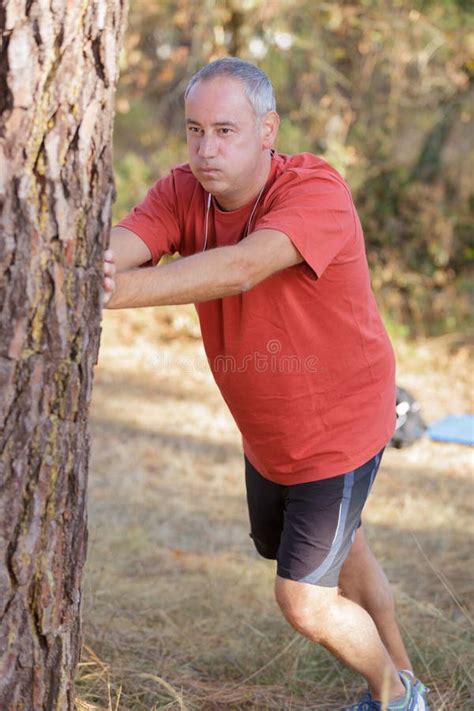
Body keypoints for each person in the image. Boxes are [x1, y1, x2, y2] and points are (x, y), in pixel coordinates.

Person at [102, 57, 430, 710]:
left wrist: (97, 292)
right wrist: (92, 264)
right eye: (195, 130)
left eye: (226, 130)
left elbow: (242, 267)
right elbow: (125, 243)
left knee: (304, 599)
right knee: (347, 543)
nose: (206, 148)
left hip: (339, 426)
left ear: (267, 129)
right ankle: (406, 672)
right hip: (270, 435)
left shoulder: (315, 189)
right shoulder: (181, 190)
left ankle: (396, 696)